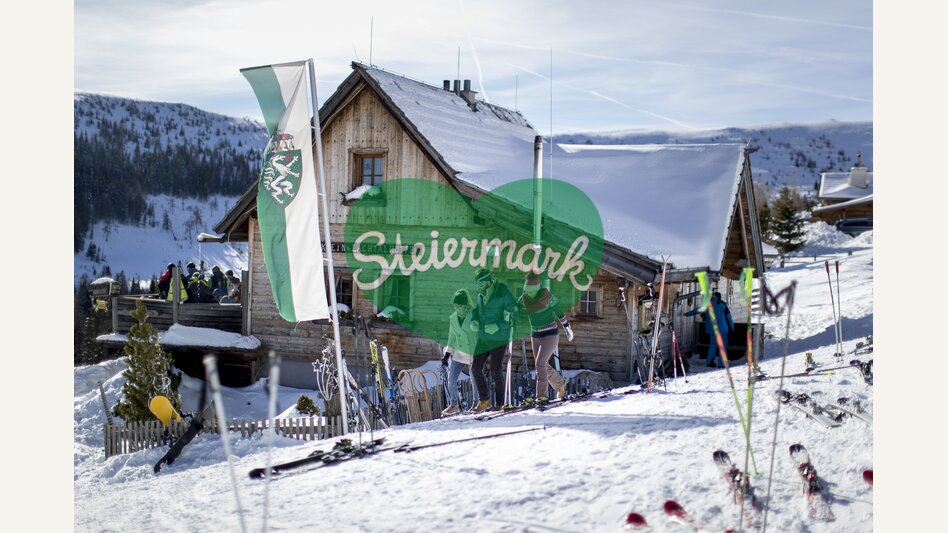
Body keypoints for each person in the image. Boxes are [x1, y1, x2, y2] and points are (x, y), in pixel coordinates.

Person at [468, 268, 517, 413]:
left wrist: (498, 325)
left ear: (489, 280)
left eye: (481, 283)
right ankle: (484, 401)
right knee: (475, 368)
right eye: (477, 283)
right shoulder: (479, 293)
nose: (479, 286)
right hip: (483, 336)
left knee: (495, 370)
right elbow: (477, 311)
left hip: (499, 337)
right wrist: (474, 320)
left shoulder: (502, 291)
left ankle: (500, 403)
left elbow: (514, 313)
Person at [519, 270, 573, 401]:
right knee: (540, 364)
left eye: (532, 290)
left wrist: (567, 327)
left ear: (538, 287)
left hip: (550, 333)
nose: (530, 293)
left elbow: (559, 312)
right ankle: (560, 383)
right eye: (528, 291)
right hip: (535, 334)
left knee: (540, 363)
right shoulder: (524, 298)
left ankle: (542, 396)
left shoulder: (547, 297)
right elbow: (515, 309)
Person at [440, 289, 479, 416]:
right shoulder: (453, 318)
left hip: (474, 351)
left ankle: (476, 404)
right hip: (459, 352)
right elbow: (451, 338)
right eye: (455, 306)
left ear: (466, 304)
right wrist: (447, 355)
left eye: (460, 306)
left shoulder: (474, 313)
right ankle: (454, 405)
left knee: (474, 378)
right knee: (451, 379)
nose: (457, 308)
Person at [685, 291, 734, 367]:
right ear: (719, 297)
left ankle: (709, 362)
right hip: (722, 331)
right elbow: (729, 318)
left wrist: (687, 314)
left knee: (712, 346)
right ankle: (722, 363)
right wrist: (732, 328)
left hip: (712, 331)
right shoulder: (723, 305)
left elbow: (697, 310)